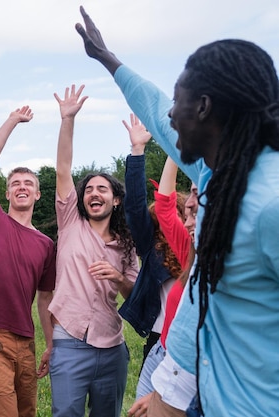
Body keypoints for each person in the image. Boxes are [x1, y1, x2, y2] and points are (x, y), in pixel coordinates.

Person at [77, 6, 279, 416]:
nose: (169, 114)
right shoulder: (219, 170)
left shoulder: (270, 204)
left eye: (178, 100)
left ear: (203, 107)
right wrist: (108, 59)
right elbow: (154, 109)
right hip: (203, 393)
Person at [49, 84, 138, 417]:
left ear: (115, 200)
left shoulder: (126, 244)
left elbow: (133, 294)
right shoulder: (71, 221)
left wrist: (117, 276)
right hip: (70, 341)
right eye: (89, 189)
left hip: (112, 346)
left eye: (102, 188)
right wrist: (67, 120)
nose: (93, 193)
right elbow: (62, 169)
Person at [0, 105, 56, 417]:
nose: (22, 187)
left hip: (26, 340)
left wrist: (51, 343)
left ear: (38, 195)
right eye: (15, 183)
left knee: (27, 412)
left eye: (28, 184)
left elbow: (45, 299)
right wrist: (13, 121)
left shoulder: (46, 244)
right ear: (6, 193)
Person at [119, 114, 185, 397]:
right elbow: (134, 207)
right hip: (159, 342)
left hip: (191, 346)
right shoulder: (154, 248)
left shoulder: (203, 251)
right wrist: (137, 152)